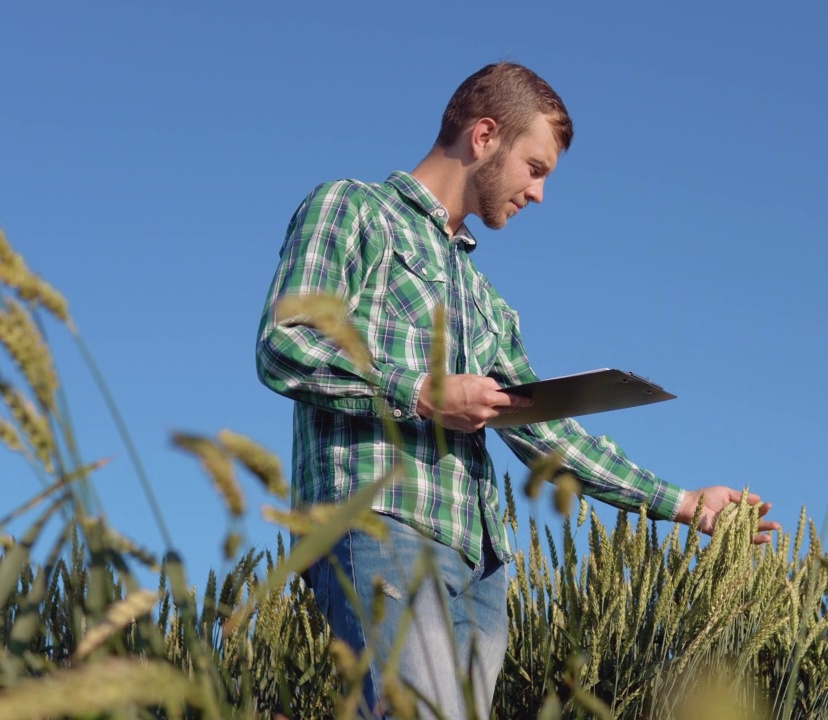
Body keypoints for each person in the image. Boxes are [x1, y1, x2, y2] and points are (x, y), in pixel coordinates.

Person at [256, 62, 780, 719]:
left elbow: (545, 433)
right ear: (483, 137)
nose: (539, 194)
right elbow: (285, 346)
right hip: (382, 527)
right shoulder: (354, 210)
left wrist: (683, 504)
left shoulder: (486, 300)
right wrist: (420, 392)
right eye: (535, 168)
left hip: (480, 569)